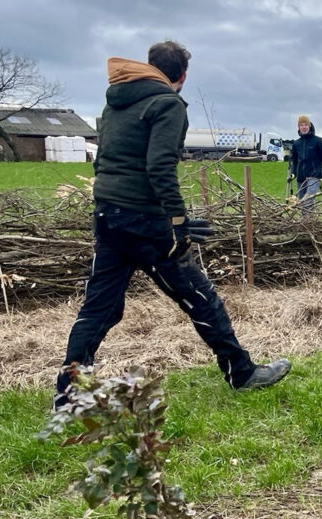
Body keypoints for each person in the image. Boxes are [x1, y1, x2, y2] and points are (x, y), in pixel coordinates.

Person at [55, 40, 290, 409]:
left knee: (99, 310)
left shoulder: (116, 100)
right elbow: (160, 166)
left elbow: (102, 163)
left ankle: (68, 397)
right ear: (182, 75)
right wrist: (178, 222)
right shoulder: (167, 103)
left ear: (150, 65)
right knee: (200, 298)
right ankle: (241, 373)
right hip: (145, 222)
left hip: (108, 215)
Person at [289, 115, 322, 208]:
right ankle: (306, 222)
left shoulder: (318, 141)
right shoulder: (297, 143)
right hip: (300, 178)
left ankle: (309, 221)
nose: (304, 127)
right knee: (301, 204)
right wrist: (293, 173)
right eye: (301, 125)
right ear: (299, 127)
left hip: (314, 177)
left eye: (306, 125)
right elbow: (295, 161)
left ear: (309, 126)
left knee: (308, 201)